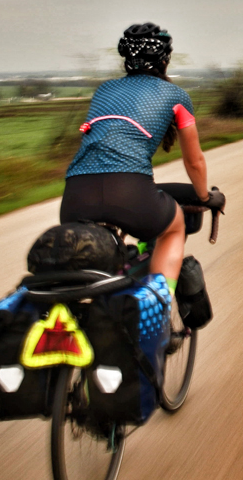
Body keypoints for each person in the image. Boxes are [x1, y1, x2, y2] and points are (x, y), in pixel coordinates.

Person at [60, 22, 224, 298]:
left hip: (75, 197)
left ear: (126, 58)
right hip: (129, 193)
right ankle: (158, 304)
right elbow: (194, 161)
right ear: (164, 60)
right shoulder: (176, 95)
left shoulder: (104, 90)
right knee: (174, 228)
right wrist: (206, 198)